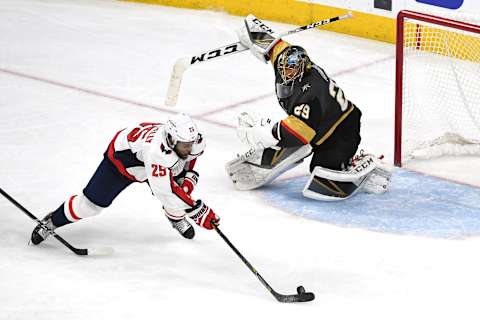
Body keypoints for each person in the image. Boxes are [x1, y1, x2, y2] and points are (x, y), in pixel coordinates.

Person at [226, 15, 391, 200]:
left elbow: (298, 132)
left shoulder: (311, 92)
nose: (286, 74)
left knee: (320, 177)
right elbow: (273, 44)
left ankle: (354, 163)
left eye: (291, 70)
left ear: (303, 68)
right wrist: (250, 32)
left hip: (341, 130)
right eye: (284, 69)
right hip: (318, 123)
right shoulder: (288, 60)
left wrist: (262, 133)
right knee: (295, 139)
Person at [31, 113, 220, 245]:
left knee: (180, 192)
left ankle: (174, 217)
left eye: (190, 144)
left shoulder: (189, 141)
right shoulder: (157, 153)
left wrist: (187, 183)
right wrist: (197, 211)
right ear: (170, 139)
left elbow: (190, 158)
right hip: (122, 162)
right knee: (89, 207)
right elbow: (166, 193)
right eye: (184, 145)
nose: (189, 148)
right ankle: (51, 222)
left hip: (148, 162)